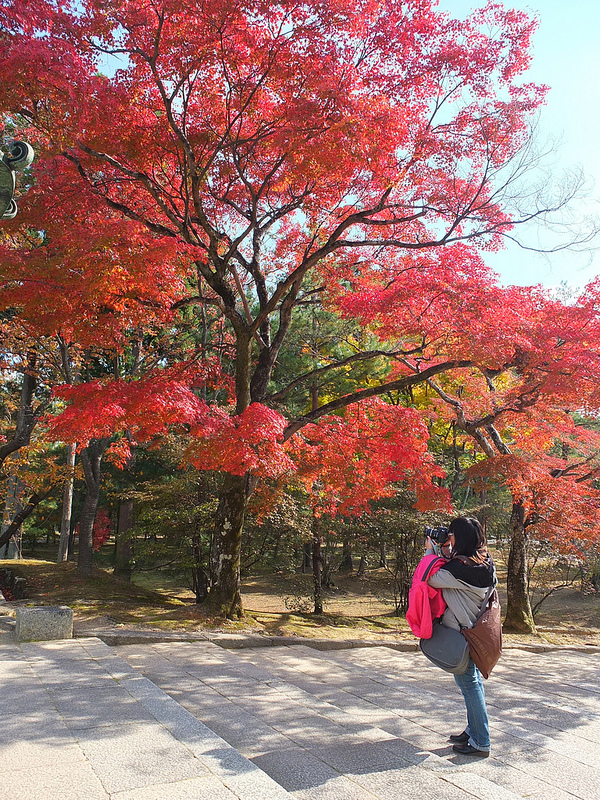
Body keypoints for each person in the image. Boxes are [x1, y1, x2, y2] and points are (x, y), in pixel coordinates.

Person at [425, 516, 496, 758]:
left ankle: (481, 742)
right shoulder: (483, 563)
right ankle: (473, 729)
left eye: (452, 535)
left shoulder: (459, 570)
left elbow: (431, 578)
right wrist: (447, 552)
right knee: (469, 682)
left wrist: (431, 552)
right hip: (475, 632)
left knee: (469, 683)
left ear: (461, 539)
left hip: (463, 635)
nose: (449, 538)